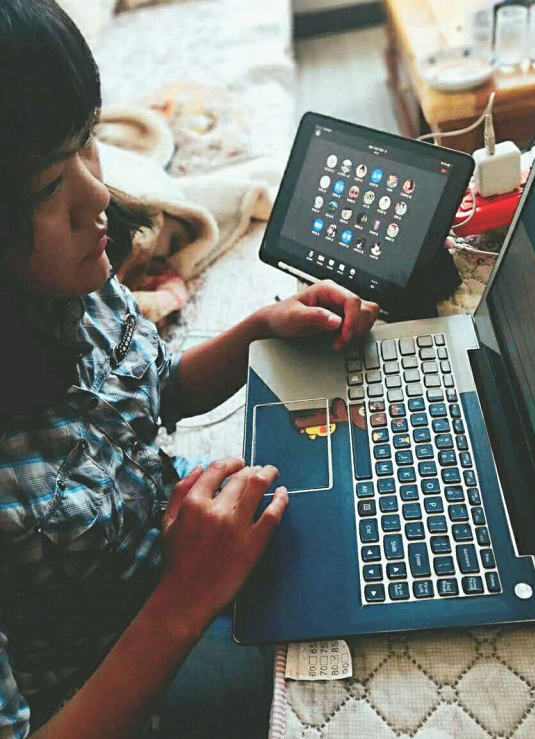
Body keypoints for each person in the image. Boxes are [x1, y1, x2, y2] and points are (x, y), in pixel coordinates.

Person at [0, 2, 380, 738]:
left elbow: (151, 391)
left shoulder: (65, 282)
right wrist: (187, 595)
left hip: (175, 569)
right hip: (110, 682)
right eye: (48, 188)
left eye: (88, 142)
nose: (98, 196)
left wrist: (257, 331)